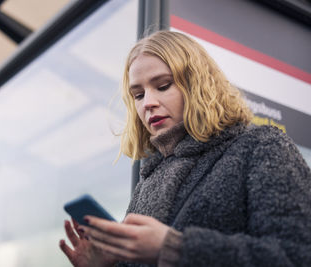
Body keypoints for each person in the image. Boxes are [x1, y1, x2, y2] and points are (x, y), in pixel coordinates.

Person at [59, 31, 311, 267]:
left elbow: (298, 254)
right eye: (138, 95)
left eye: (163, 85)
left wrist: (175, 247)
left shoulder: (261, 145)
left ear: (198, 84)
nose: (148, 103)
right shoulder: (147, 182)